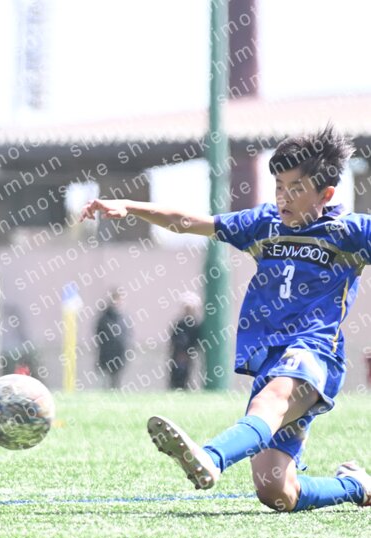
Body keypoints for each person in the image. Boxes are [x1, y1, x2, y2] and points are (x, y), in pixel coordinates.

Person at [82, 125, 371, 512]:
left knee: (271, 400)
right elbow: (191, 221)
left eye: (296, 188)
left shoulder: (351, 232)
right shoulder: (264, 223)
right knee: (276, 491)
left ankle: (211, 458)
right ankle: (355, 485)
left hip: (315, 354)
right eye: (279, 186)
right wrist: (131, 207)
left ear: (326, 194)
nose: (283, 197)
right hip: (272, 360)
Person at [93, 288, 130, 389]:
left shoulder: (124, 318)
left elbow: (127, 334)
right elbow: (99, 334)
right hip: (107, 353)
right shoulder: (105, 317)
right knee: (105, 379)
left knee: (117, 379)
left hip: (120, 353)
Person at [168, 293, 202, 390]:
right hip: (177, 355)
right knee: (176, 376)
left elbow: (196, 342)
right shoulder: (179, 324)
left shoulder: (196, 325)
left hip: (190, 356)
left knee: (186, 376)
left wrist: (188, 353)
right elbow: (174, 340)